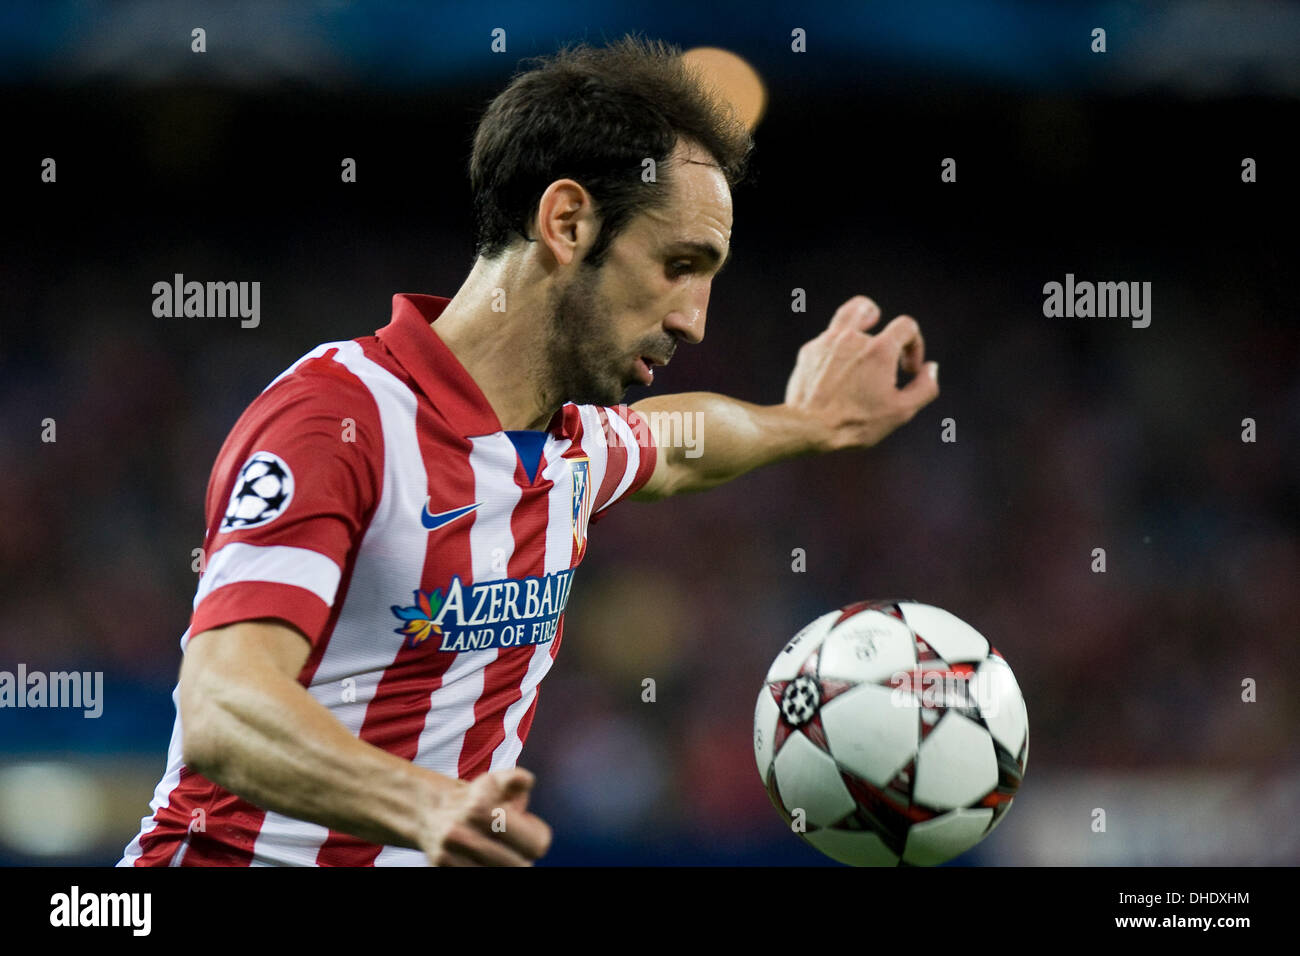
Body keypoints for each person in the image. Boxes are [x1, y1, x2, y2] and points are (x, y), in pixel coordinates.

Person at [120, 35, 938, 867]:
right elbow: (221, 703)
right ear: (568, 221)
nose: (696, 319)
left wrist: (808, 421)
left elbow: (688, 446)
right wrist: (421, 804)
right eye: (678, 265)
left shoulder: (573, 443)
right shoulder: (341, 419)